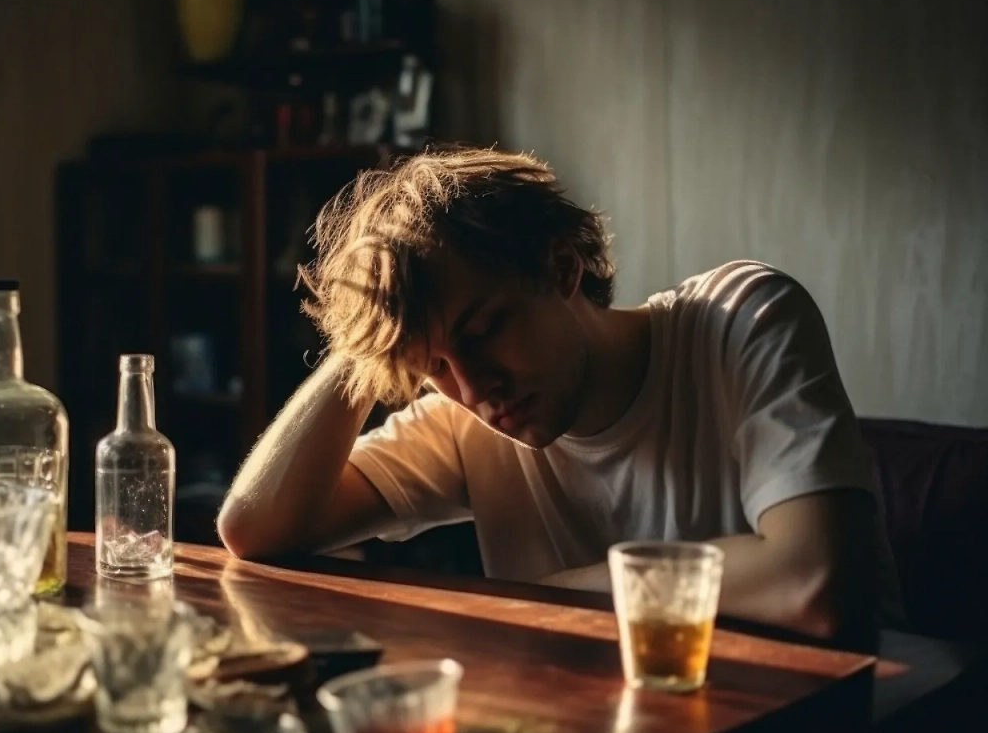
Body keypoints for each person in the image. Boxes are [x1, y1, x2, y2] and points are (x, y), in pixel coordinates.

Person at [217, 146, 899, 649]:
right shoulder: (464, 423)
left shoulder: (742, 321)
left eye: (484, 330)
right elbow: (254, 529)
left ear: (563, 266)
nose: (474, 388)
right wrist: (369, 336)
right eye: (435, 367)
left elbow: (815, 583)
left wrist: (544, 597)